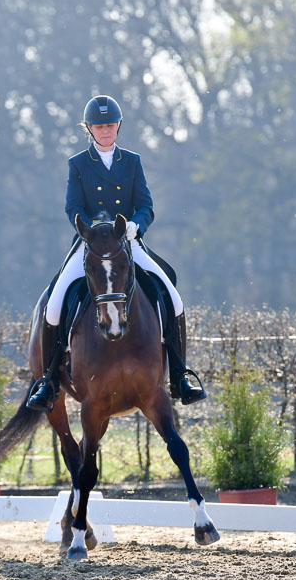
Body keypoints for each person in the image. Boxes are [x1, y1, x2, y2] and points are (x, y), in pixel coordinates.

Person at [27, 94, 206, 411]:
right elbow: (73, 207)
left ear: (118, 126)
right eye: (99, 126)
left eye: (110, 125)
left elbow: (145, 205)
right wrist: (89, 228)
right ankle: (49, 381)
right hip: (91, 245)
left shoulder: (132, 162)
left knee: (173, 298)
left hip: (127, 243)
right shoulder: (78, 164)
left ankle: (180, 376)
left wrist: (136, 225)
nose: (105, 130)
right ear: (90, 129)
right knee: (54, 305)